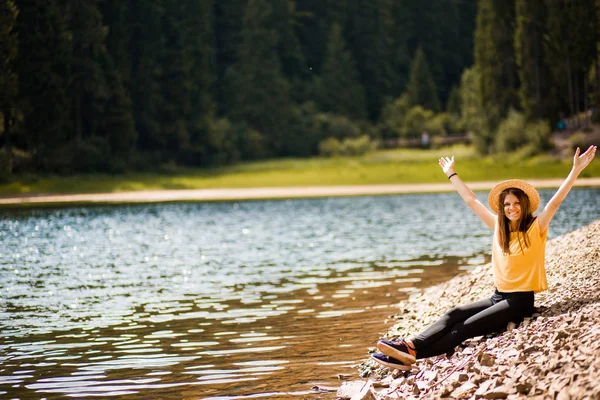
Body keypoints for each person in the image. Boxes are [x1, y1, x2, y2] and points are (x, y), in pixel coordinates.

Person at [371, 145, 597, 371]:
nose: (512, 208)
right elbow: (472, 201)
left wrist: (575, 170)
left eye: (517, 203)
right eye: (507, 204)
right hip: (498, 297)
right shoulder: (499, 227)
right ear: (502, 207)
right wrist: (451, 173)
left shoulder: (536, 227)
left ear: (524, 205)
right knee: (454, 314)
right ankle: (408, 346)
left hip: (519, 301)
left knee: (465, 328)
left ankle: (412, 355)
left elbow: (555, 202)